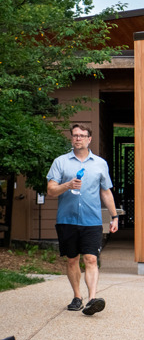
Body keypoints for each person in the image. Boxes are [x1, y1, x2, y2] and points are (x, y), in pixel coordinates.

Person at [46, 124, 119, 316]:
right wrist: (67, 184)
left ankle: (92, 299)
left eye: (82, 135)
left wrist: (114, 216)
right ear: (71, 138)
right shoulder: (60, 162)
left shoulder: (100, 164)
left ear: (89, 139)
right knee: (72, 260)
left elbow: (106, 191)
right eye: (75, 135)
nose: (78, 138)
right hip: (67, 219)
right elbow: (51, 190)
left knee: (91, 259)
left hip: (91, 220)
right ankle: (77, 297)